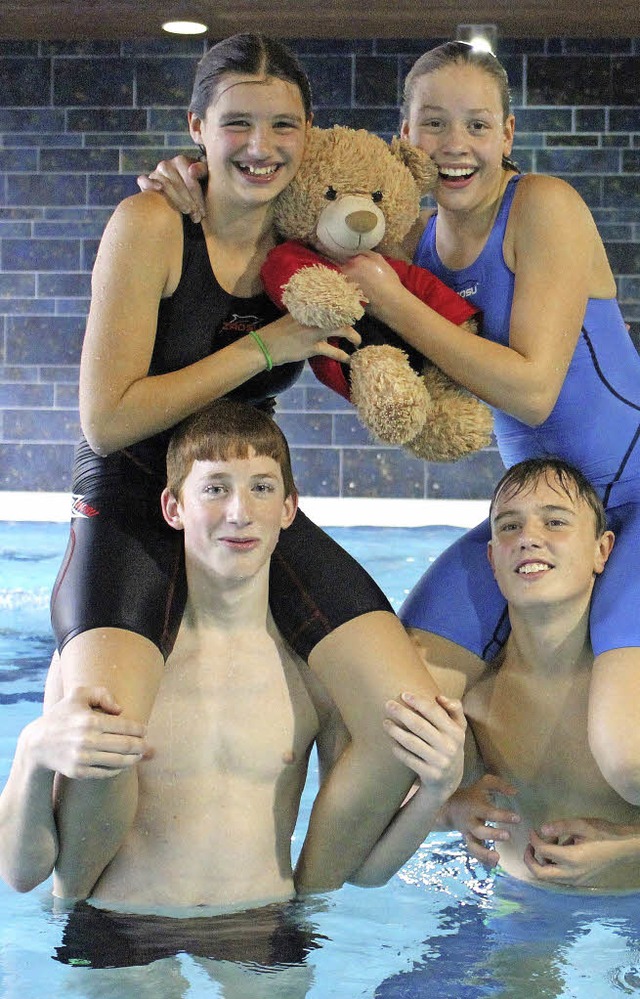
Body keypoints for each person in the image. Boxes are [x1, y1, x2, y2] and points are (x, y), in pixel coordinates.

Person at [140, 39, 640, 808]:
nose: (455, 145)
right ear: (404, 139)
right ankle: (463, 822)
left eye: (477, 125)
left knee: (628, 748)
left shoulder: (543, 206)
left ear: (507, 135)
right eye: (433, 125)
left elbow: (534, 391)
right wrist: (189, 172)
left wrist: (394, 302)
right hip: (535, 517)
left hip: (632, 502)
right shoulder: (414, 240)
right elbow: (293, 205)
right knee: (394, 707)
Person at [49, 32, 444, 898]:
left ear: (310, 136)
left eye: (283, 126)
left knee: (406, 721)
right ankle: (77, 913)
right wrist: (268, 342)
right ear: (198, 126)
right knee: (107, 734)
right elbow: (107, 418)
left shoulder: (309, 234)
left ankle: (300, 910)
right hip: (129, 493)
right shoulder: (152, 223)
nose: (260, 147)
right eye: (237, 124)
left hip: (238, 496)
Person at [0, 400, 465, 919]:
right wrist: (31, 753)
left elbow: (362, 873)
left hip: (264, 926)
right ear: (174, 508)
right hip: (120, 925)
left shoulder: (315, 678)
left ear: (289, 509)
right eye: (215, 488)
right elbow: (22, 874)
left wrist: (436, 790)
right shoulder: (107, 667)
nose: (240, 512)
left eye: (261, 488)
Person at [349, 458, 640, 892]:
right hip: (521, 903)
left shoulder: (625, 702)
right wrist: (453, 810)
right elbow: (380, 810)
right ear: (491, 558)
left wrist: (623, 849)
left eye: (555, 522)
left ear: (602, 550)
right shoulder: (472, 702)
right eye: (508, 527)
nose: (529, 539)